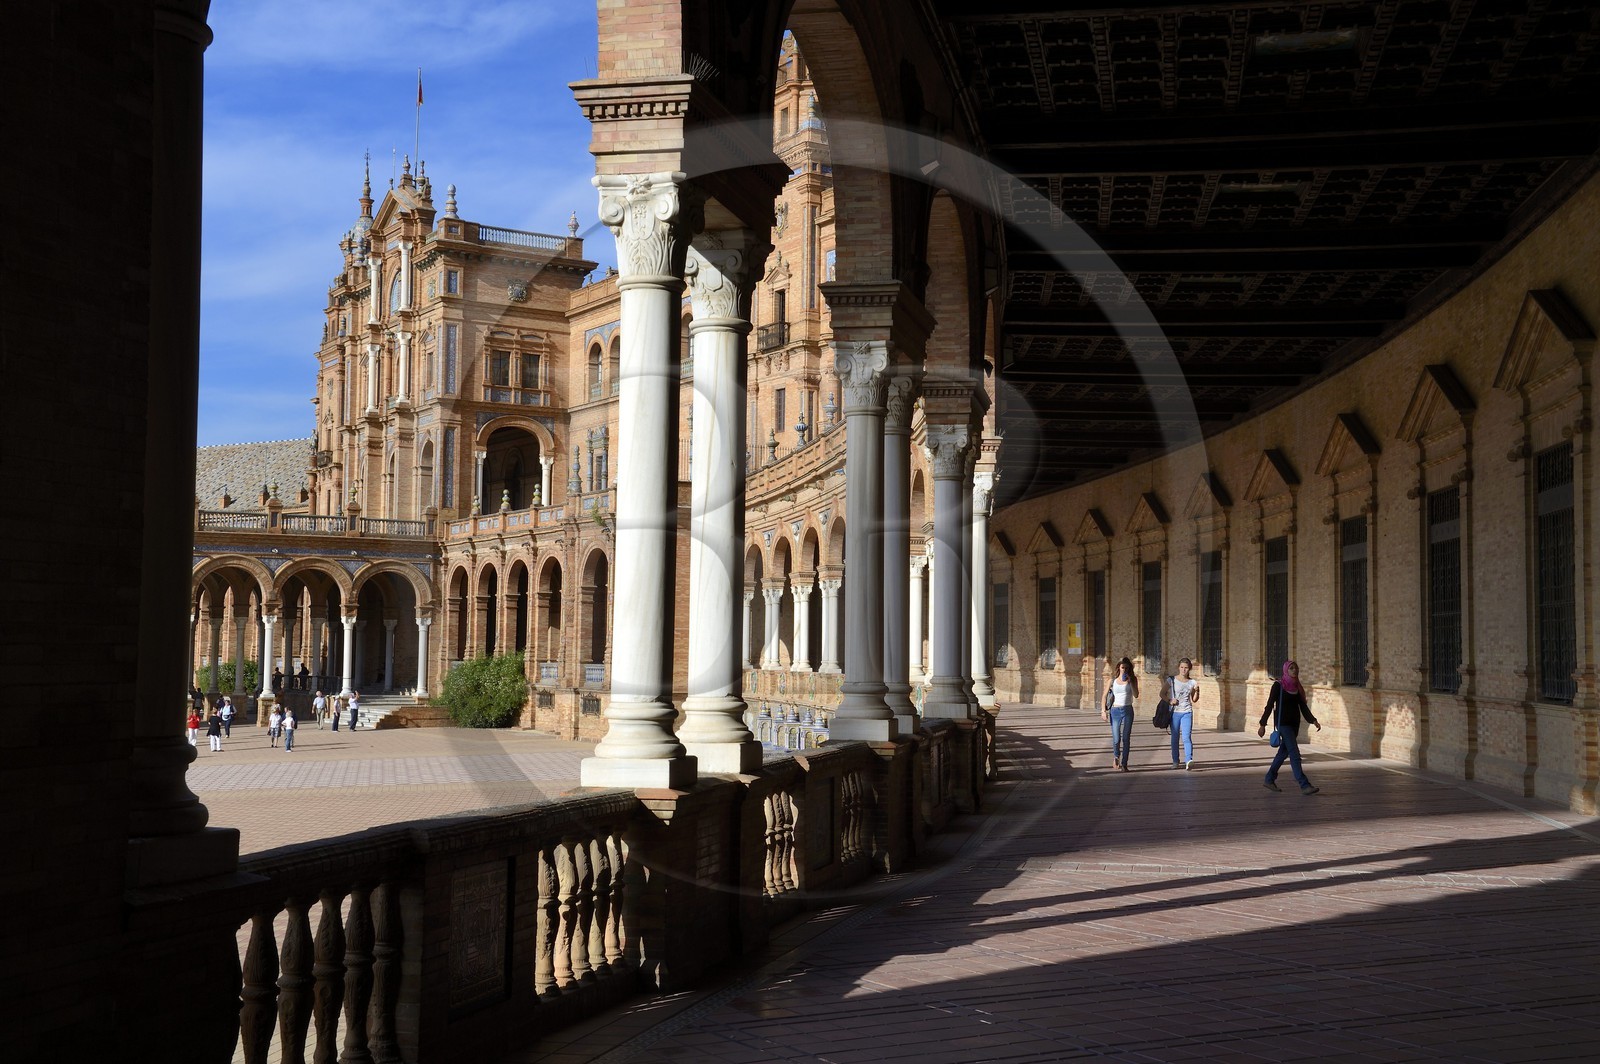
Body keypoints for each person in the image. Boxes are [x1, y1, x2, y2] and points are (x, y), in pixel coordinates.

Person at [1258, 660, 1321, 795]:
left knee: (1283, 753)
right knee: (1294, 754)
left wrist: (1313, 720)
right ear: (1286, 670)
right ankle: (1304, 785)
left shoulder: (1297, 687)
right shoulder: (1278, 686)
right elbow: (1269, 706)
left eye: (1296, 668)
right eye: (1291, 668)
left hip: (1294, 725)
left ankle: (1269, 779)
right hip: (1284, 725)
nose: (1294, 670)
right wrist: (1262, 724)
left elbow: (1303, 706)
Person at [1102, 656, 1138, 771]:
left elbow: (1136, 695)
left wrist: (1130, 681)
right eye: (1123, 667)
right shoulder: (1112, 680)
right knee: (1116, 738)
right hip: (1115, 711)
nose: (1124, 670)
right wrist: (1103, 711)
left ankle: (1125, 764)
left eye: (1127, 668)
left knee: (1126, 737)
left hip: (1127, 710)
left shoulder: (1133, 679)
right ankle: (1116, 756)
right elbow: (1104, 695)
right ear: (1119, 667)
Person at [1169, 657, 1200, 770]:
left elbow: (1194, 699)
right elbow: (1162, 693)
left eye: (1186, 668)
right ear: (1179, 668)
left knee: (1187, 737)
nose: (1183, 670)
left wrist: (1197, 691)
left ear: (1189, 669)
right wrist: (1170, 700)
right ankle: (1175, 761)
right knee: (1175, 737)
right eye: (1182, 667)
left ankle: (1188, 760)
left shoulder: (1192, 682)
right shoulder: (1172, 680)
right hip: (1175, 713)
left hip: (1187, 712)